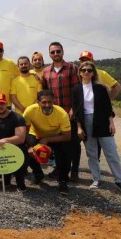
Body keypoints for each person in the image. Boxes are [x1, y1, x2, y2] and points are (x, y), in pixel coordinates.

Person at [72, 61, 121, 194]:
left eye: (89, 70)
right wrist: (79, 127)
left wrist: (111, 123)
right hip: (85, 121)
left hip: (101, 120)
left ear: (93, 72)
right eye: (83, 70)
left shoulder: (100, 88)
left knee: (111, 152)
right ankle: (96, 179)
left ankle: (120, 180)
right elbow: (77, 111)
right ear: (80, 72)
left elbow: (108, 107)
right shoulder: (76, 89)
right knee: (92, 153)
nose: (86, 72)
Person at [40, 42, 80, 182]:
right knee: (59, 145)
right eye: (53, 52)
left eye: (58, 51)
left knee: (73, 142)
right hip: (54, 114)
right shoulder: (45, 71)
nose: (56, 54)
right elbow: (44, 92)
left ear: (63, 52)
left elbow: (77, 91)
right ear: (49, 54)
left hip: (69, 112)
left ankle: (74, 170)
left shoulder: (72, 68)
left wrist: (74, 109)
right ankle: (61, 169)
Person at [23, 89, 72, 195]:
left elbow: (67, 136)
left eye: (50, 102)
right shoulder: (30, 110)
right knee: (29, 152)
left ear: (54, 101)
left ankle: (63, 180)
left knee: (65, 153)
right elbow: (25, 130)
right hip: (36, 134)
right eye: (44, 102)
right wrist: (30, 146)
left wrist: (48, 139)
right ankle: (38, 174)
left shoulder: (62, 113)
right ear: (38, 102)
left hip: (56, 136)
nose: (47, 105)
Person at [0, 93, 28, 191]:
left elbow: (20, 138)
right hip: (0, 150)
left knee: (20, 174)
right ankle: (6, 179)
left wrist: (5, 140)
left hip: (17, 149)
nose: (0, 106)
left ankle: (20, 182)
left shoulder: (18, 118)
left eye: (2, 104)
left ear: (7, 103)